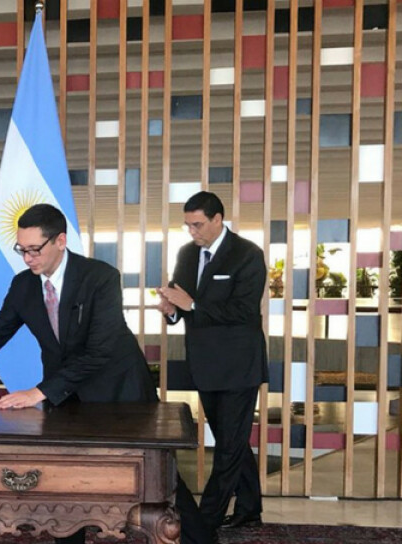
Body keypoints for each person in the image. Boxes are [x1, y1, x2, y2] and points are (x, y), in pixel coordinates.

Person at [0, 203, 210, 544]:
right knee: (64, 484)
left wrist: (38, 392)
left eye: (34, 250)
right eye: (22, 250)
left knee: (160, 482)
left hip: (120, 393)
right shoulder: (23, 286)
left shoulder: (99, 277)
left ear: (60, 241)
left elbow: (99, 351)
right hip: (66, 398)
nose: (28, 259)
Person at [157, 191, 267, 534]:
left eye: (198, 225)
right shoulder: (186, 254)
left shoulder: (248, 254)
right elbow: (180, 302)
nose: (192, 231)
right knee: (231, 441)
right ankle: (249, 509)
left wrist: (192, 306)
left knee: (229, 448)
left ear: (218, 219)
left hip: (239, 367)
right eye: (188, 225)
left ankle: (203, 525)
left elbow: (244, 310)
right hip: (205, 366)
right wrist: (171, 311)